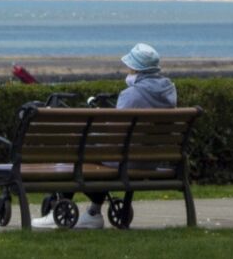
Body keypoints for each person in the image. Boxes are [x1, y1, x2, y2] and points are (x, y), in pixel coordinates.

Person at [32, 43, 177, 230]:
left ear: (135, 68)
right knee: (92, 155)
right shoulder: (169, 92)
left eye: (130, 66)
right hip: (151, 161)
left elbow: (114, 137)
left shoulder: (132, 95)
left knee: (77, 151)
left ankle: (60, 209)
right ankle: (93, 212)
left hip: (127, 161)